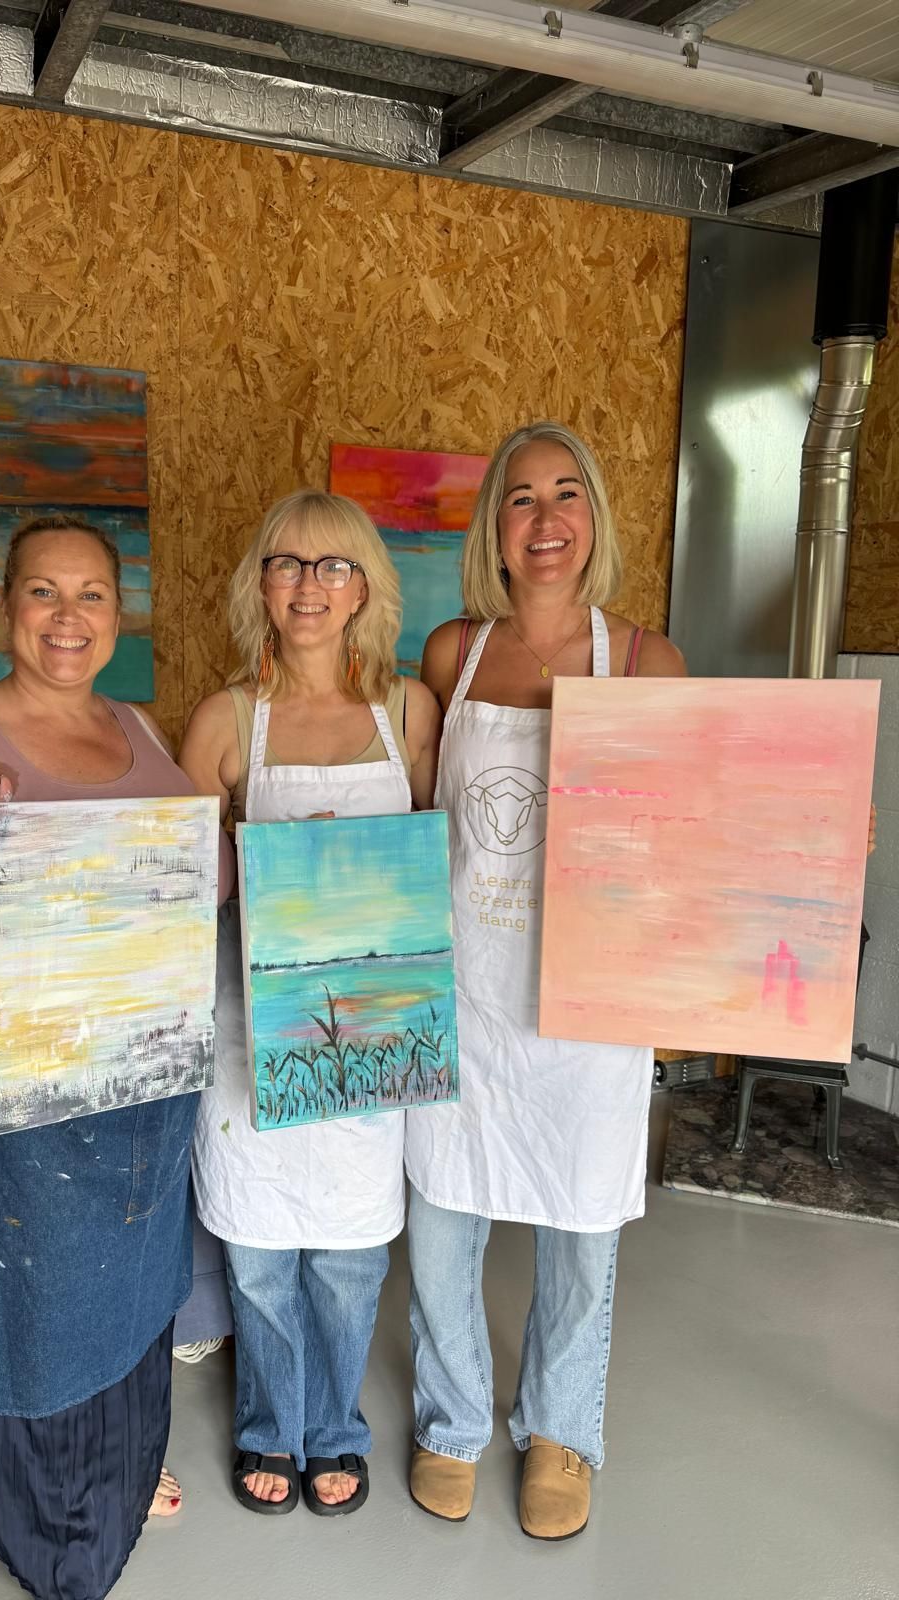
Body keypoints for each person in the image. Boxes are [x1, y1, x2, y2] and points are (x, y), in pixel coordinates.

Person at [0, 513, 228, 1600]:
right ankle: (59, 1527)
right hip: (21, 1111)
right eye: (42, 593)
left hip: (145, 1099)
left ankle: (115, 1472)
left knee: (129, 1295)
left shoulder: (141, 728)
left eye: (92, 595)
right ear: (5, 608)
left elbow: (192, 881)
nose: (68, 617)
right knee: (39, 1307)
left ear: (119, 614)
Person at [405, 422, 687, 1542]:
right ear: (495, 528)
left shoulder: (649, 659)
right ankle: (452, 1417)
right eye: (520, 498)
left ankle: (564, 1427)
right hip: (463, 986)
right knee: (441, 1211)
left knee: (581, 1222)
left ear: (594, 517)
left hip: (592, 999)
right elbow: (412, 814)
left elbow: (692, 823)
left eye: (566, 493)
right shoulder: (451, 654)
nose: (546, 517)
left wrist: (806, 825)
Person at [179, 490, 441, 1518]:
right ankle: (264, 1430)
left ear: (366, 586)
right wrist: (272, 860)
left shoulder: (410, 710)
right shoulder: (224, 715)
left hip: (374, 1028)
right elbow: (190, 884)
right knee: (259, 1254)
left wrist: (357, 868)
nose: (309, 585)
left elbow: (447, 856)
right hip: (259, 1026)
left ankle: (332, 1430)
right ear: (261, 584)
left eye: (333, 566)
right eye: (287, 564)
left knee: (346, 1254)